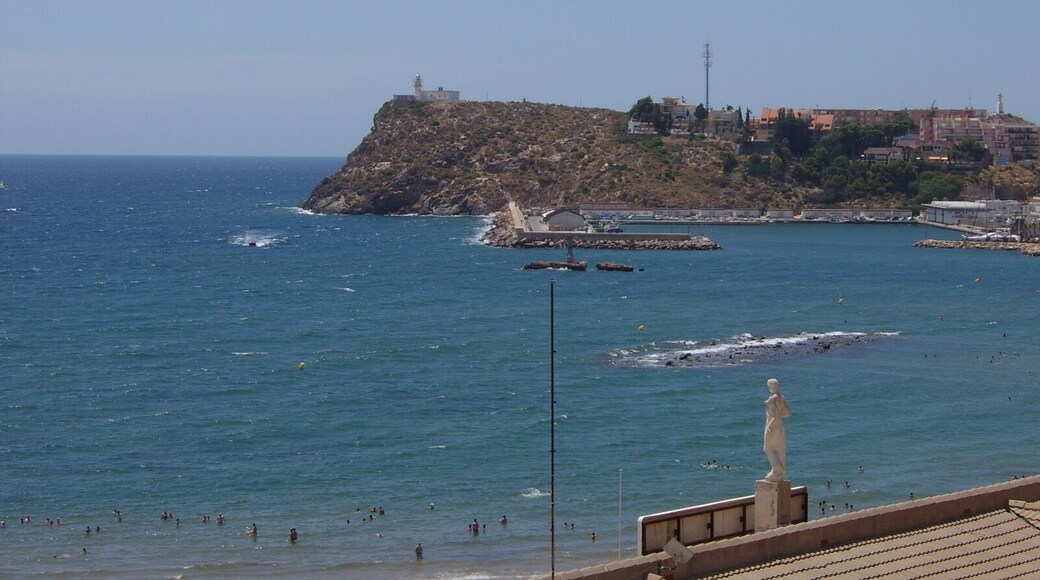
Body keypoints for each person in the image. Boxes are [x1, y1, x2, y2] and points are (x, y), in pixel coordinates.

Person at [763, 378, 792, 482]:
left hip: (773, 425)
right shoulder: (782, 397)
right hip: (780, 426)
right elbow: (788, 413)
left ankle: (776, 469)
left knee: (767, 448)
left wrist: (770, 426)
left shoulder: (773, 398)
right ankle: (778, 472)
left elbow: (775, 416)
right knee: (778, 449)